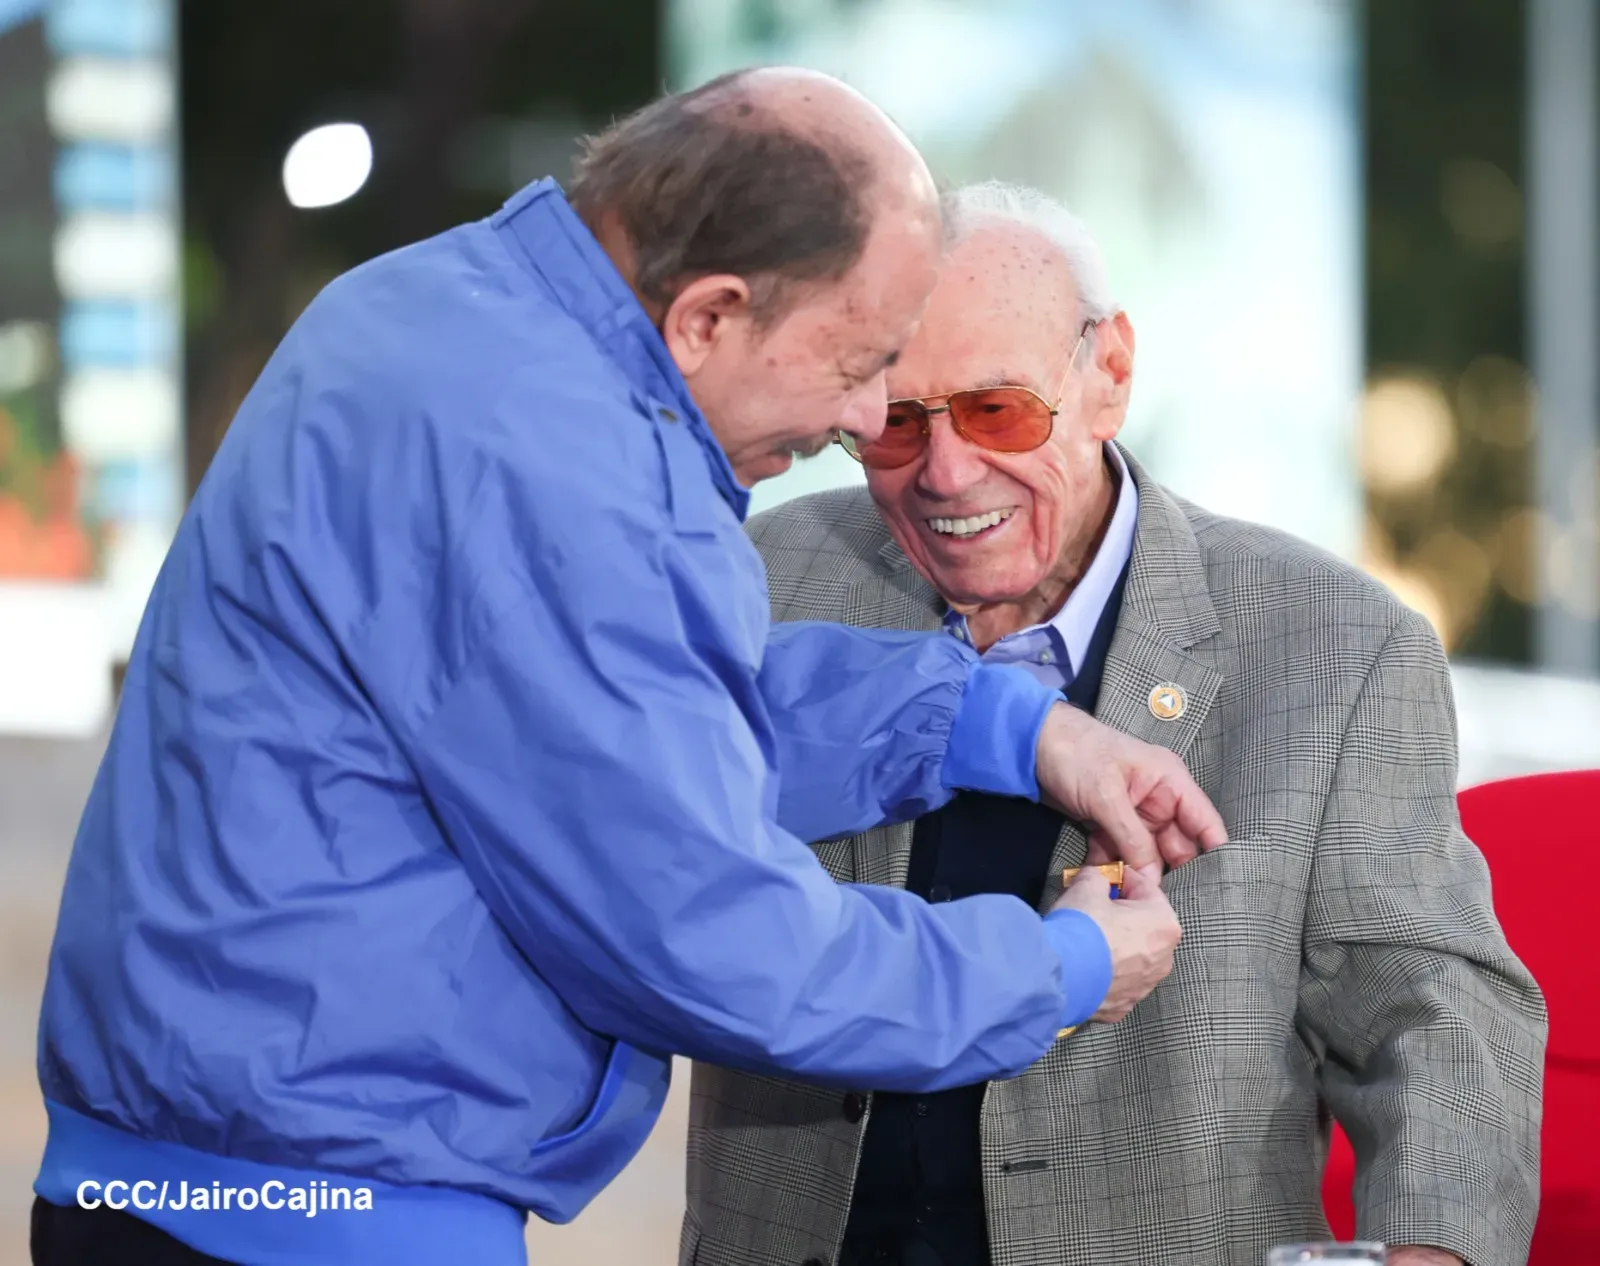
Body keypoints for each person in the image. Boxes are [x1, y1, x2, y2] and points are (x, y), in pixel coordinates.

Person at [28, 75, 1227, 1266]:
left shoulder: (431, 307)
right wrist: (1056, 965)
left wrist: (1007, 728)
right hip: (311, 1215)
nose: (868, 419)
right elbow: (719, 939)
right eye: (858, 359)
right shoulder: (573, 470)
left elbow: (620, 715)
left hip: (189, 1179)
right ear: (706, 316)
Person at [684, 182, 1547, 1266]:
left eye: (998, 411)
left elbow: (1430, 1006)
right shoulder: (764, 582)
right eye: (897, 424)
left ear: (1111, 377)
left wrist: (1434, 1248)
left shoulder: (1335, 642)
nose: (947, 473)